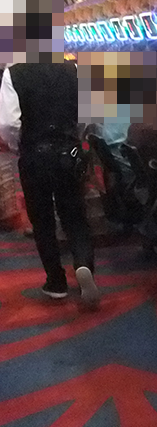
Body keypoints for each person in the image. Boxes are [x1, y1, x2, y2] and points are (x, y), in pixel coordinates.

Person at [0, 63, 100, 305]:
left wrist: (18, 146)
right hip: (69, 151)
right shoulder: (73, 69)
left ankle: (56, 282)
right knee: (75, 216)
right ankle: (83, 264)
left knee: (42, 220)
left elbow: (8, 124)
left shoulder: (14, 73)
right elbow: (89, 115)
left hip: (35, 154)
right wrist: (75, 138)